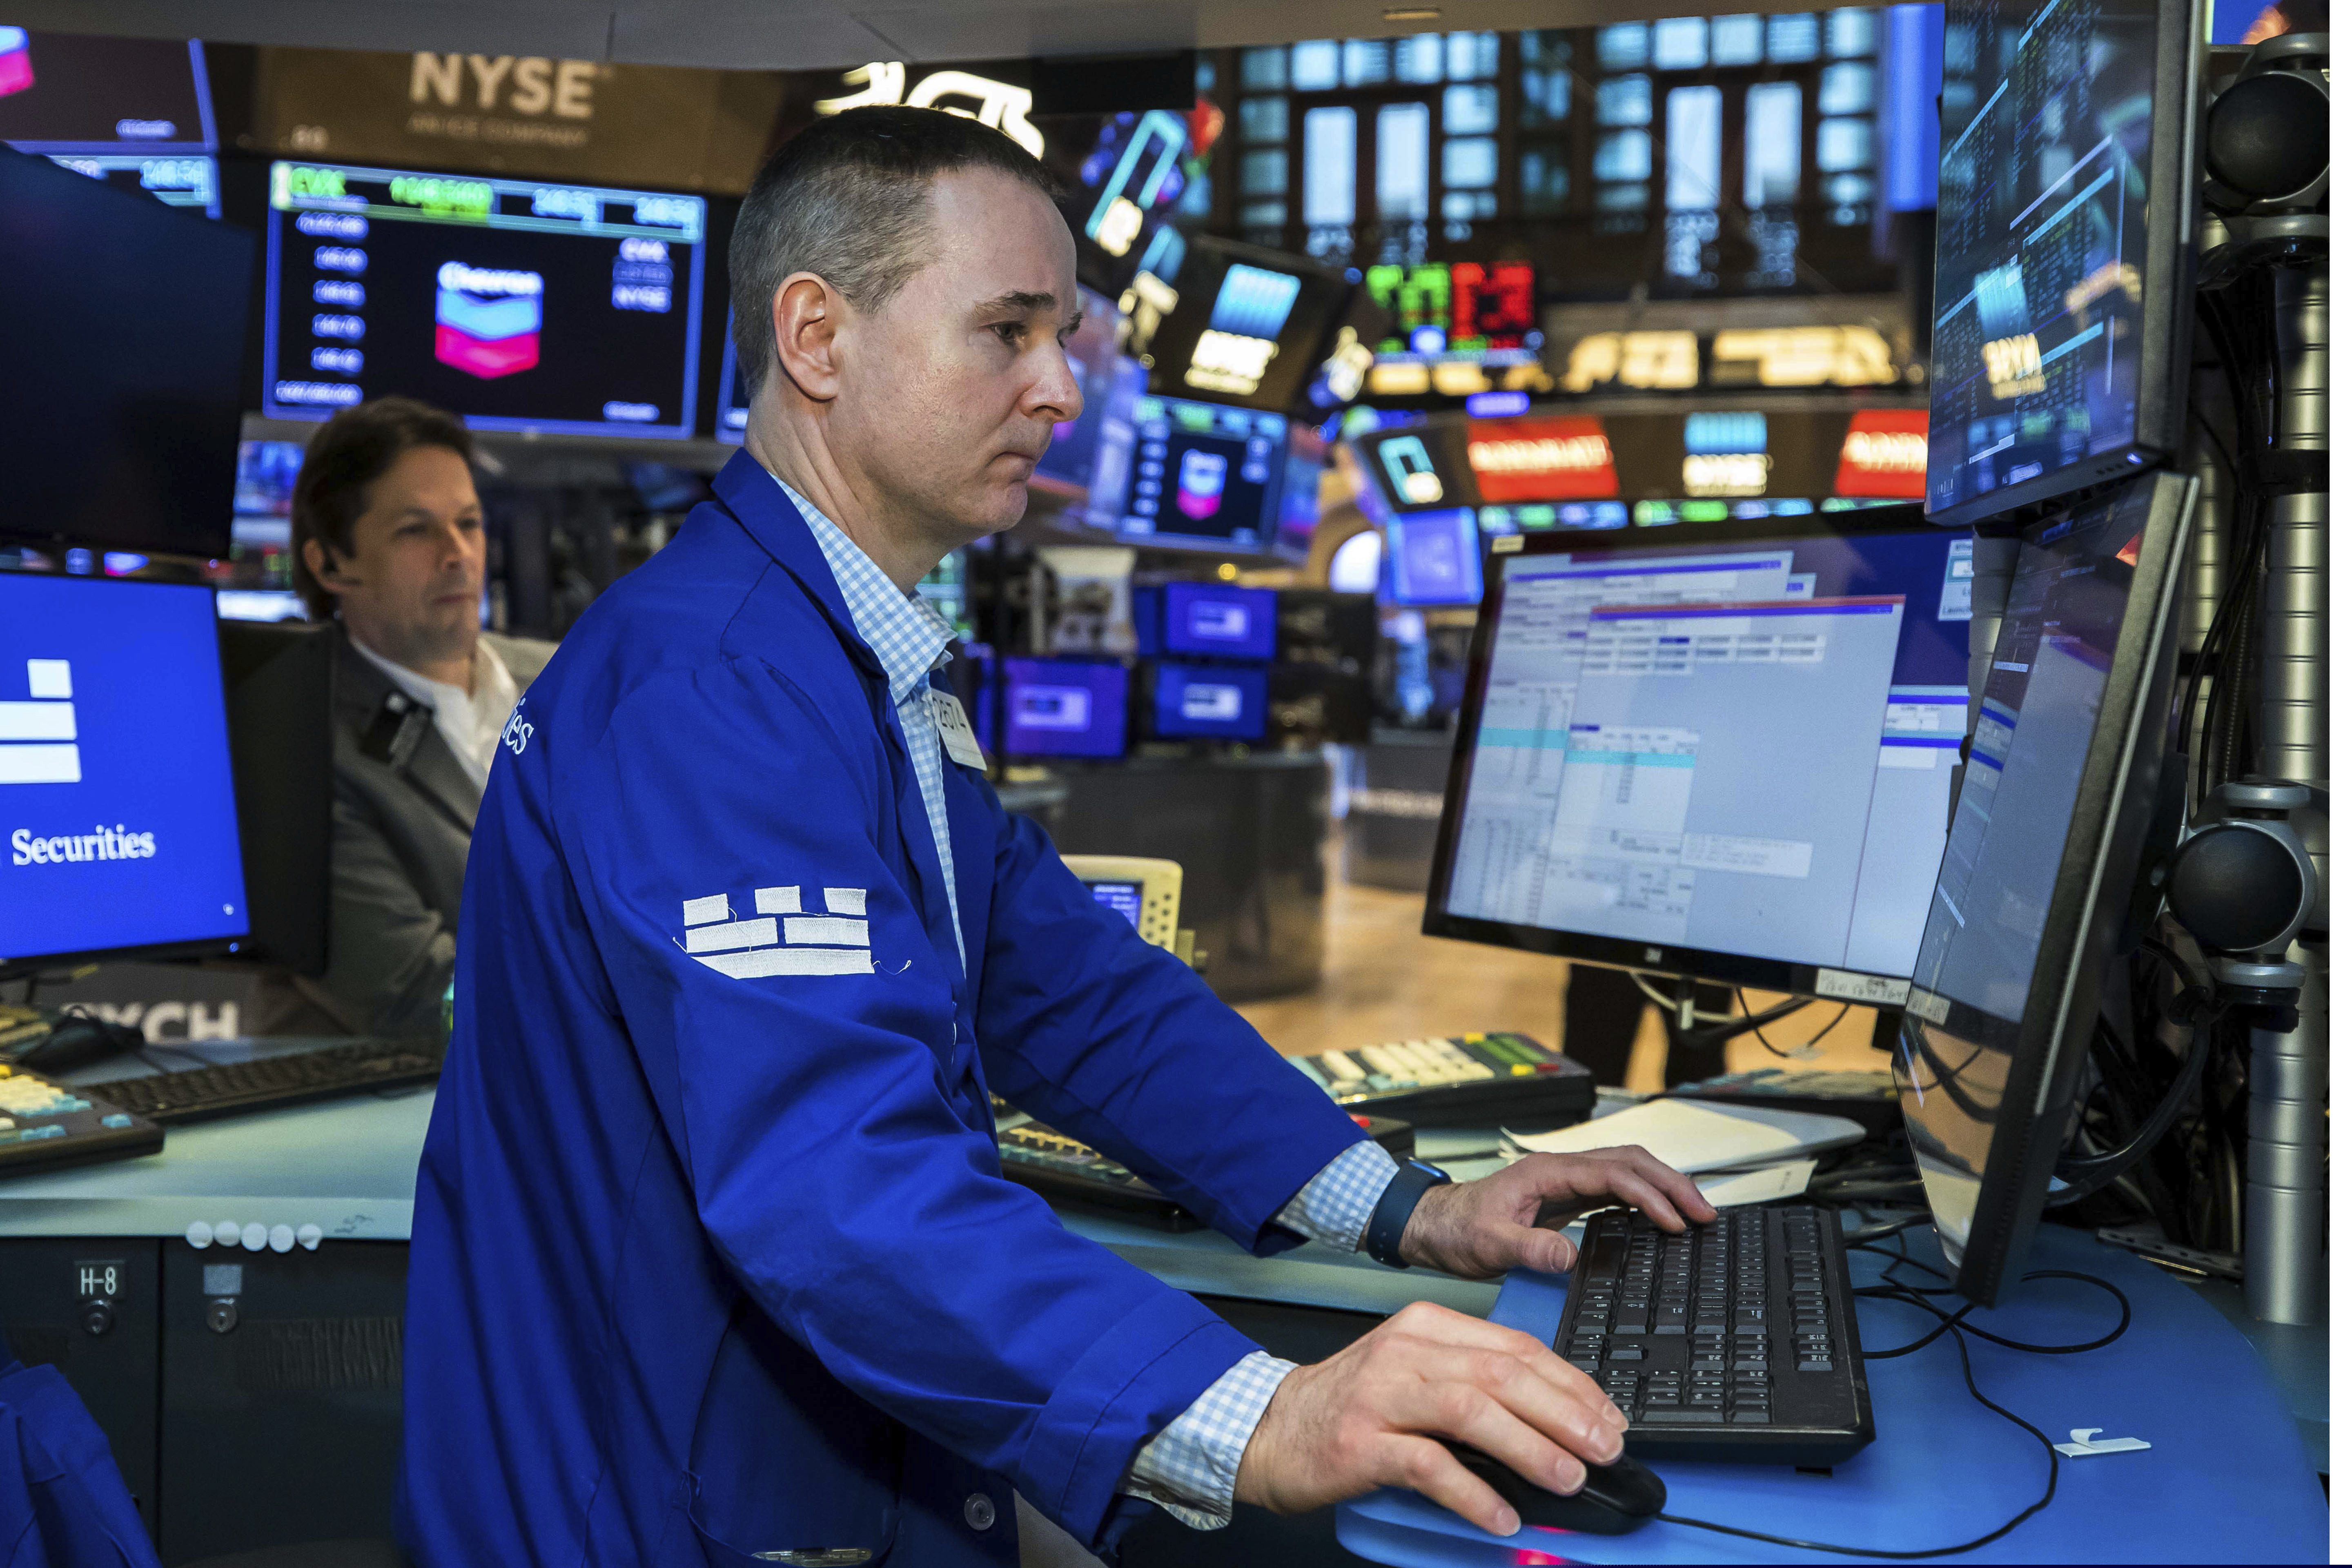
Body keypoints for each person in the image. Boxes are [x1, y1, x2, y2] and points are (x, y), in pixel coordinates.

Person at [398, 106, 1713, 1567]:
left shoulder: (845, 659)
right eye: (1008, 333)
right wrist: (1256, 1414)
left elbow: (1070, 991)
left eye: (1063, 338)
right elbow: (834, 1177)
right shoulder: (712, 689)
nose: (1059, 393)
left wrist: (1412, 1209)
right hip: (651, 1513)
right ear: (818, 341)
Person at [245, 399, 553, 1038]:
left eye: (469, 523)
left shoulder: (570, 679)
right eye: (417, 530)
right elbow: (416, 997)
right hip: (386, 1116)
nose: (457, 554)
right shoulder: (294, 750)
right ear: (330, 563)